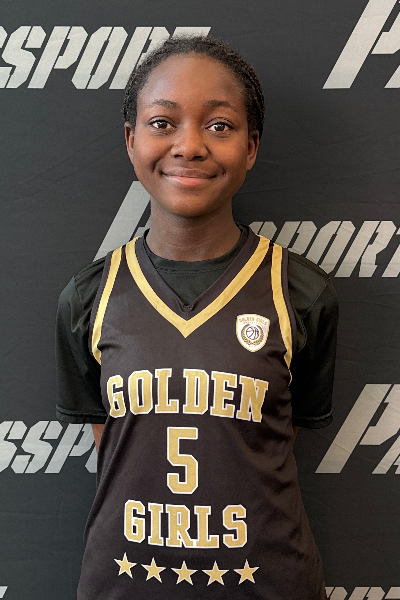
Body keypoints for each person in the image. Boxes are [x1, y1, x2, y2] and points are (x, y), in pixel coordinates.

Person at [56, 36, 338, 600]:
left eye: (219, 125)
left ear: (250, 147)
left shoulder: (301, 294)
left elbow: (279, 439)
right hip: (125, 584)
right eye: (162, 123)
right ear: (131, 140)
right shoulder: (90, 297)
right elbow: (113, 448)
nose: (189, 145)